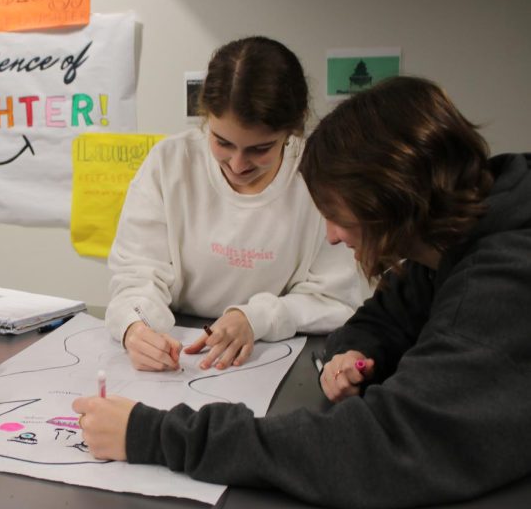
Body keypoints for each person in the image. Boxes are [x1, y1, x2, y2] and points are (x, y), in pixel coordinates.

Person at [73, 76, 531, 509]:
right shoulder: (455, 239)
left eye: (339, 217)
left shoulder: (501, 284)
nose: (331, 236)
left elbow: (379, 450)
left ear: (396, 202)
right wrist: (358, 350)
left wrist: (155, 435)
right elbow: (384, 316)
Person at [106, 36, 370, 372]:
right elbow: (135, 273)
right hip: (182, 353)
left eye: (260, 149)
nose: (238, 164)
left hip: (273, 357)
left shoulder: (318, 177)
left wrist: (256, 317)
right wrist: (135, 327)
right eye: (222, 142)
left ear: (292, 129)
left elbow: (336, 298)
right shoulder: (169, 163)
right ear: (205, 118)